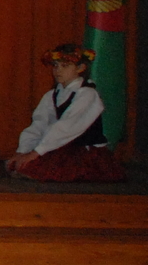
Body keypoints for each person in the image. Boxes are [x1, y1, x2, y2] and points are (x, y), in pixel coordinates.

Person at [7, 45, 127, 182]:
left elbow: (67, 127)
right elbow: (39, 124)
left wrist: (36, 152)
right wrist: (23, 151)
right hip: (60, 146)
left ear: (80, 68)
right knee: (18, 165)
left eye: (65, 66)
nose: (58, 70)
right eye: (55, 65)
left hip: (83, 151)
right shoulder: (52, 95)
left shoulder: (87, 94)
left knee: (39, 169)